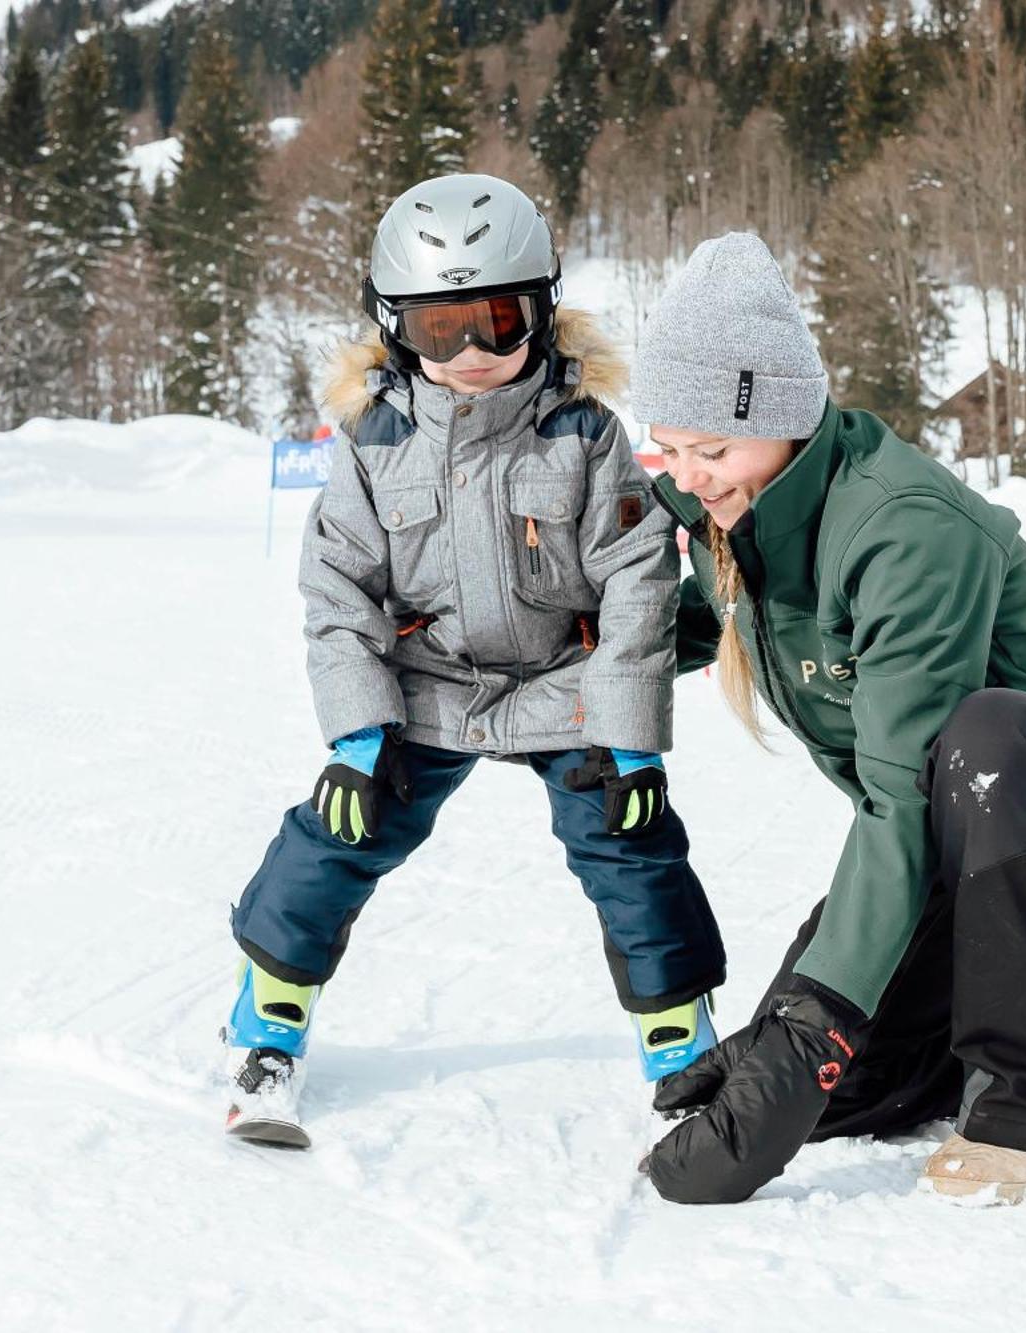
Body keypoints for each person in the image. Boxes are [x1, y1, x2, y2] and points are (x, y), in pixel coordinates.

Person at [628, 233, 1026, 1203]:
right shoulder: (749, 519)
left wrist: (810, 1027)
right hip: (947, 834)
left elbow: (897, 794)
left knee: (986, 742)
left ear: (787, 417)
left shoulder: (900, 529)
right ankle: (936, 1062)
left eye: (711, 449)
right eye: (671, 450)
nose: (690, 476)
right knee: (841, 1096)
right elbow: (667, 628)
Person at [220, 175, 726, 1146]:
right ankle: (267, 1028)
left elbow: (635, 582)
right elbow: (337, 592)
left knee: (631, 843)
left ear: (544, 309)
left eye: (499, 320)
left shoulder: (585, 435)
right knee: (332, 832)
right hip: (430, 684)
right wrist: (360, 736)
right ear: (392, 326)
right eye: (438, 327)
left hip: (563, 682)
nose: (472, 354)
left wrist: (630, 744)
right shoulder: (372, 443)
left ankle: (680, 1046)